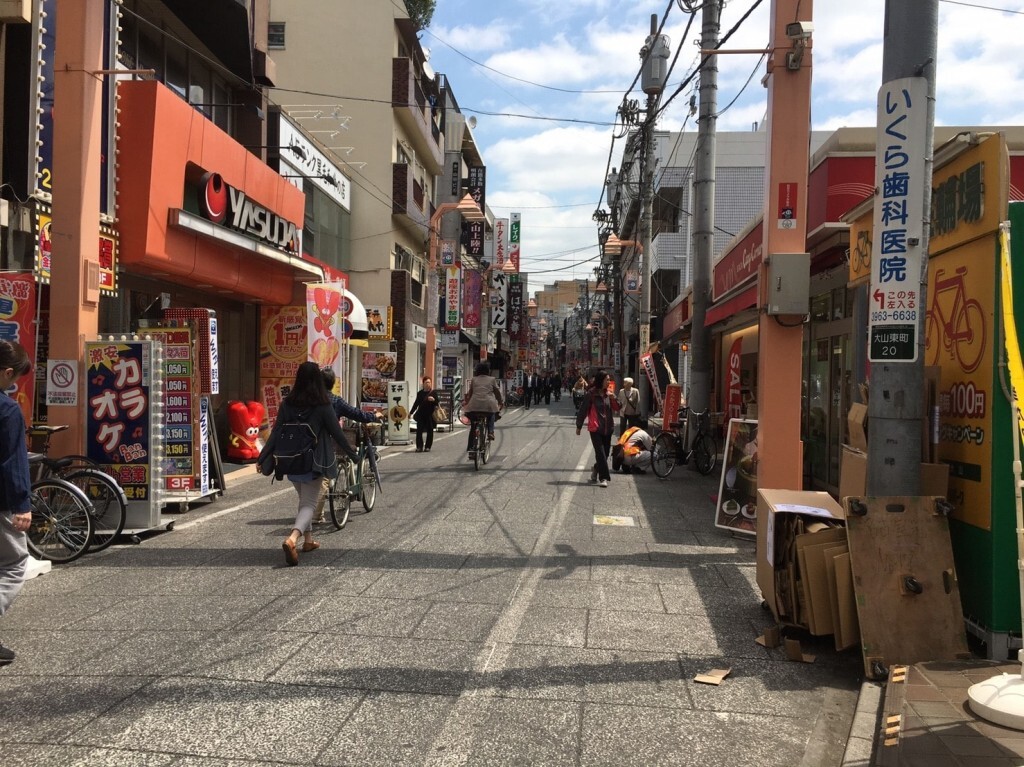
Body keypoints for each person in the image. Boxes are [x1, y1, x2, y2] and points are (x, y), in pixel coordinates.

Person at [258, 361, 357, 566]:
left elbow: (276, 432)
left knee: (304, 500)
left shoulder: (288, 403)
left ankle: (309, 541)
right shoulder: (322, 405)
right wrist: (352, 454)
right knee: (309, 504)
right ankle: (292, 539)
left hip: (289, 461)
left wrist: (262, 457)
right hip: (314, 461)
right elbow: (336, 433)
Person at [0, 341, 33, 664]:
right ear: (8, 372)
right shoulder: (7, 410)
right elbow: (12, 461)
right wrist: (22, 504)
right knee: (13, 564)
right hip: (1, 504)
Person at [312, 367, 380, 524]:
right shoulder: (335, 401)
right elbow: (356, 413)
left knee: (314, 477)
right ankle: (316, 515)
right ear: (333, 383)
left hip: (310, 442)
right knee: (325, 478)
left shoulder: (311, 401)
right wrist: (373, 416)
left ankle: (312, 511)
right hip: (329, 442)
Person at [575, 370, 619, 488]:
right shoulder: (591, 394)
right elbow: (583, 410)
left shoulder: (609, 393)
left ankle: (596, 469)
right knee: (600, 453)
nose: (609, 382)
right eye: (607, 379)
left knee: (605, 453)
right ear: (601, 381)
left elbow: (617, 407)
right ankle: (604, 477)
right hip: (595, 428)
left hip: (608, 427)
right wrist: (579, 425)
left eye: (609, 379)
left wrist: (613, 397)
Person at [462, 361, 503, 451]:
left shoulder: (474, 379)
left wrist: (466, 403)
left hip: (474, 406)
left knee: (473, 426)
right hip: (488, 405)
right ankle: (491, 432)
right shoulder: (492, 379)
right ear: (487, 371)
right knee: (492, 414)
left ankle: (470, 447)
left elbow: (470, 394)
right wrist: (500, 402)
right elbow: (497, 393)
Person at [408, 375, 438, 452]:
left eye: (429, 382)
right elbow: (416, 404)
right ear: (423, 383)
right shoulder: (420, 393)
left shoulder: (433, 393)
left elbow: (437, 404)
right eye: (426, 382)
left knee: (430, 431)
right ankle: (419, 447)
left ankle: (428, 447)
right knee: (419, 431)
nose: (428, 384)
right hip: (421, 414)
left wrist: (433, 400)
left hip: (430, 415)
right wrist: (411, 413)